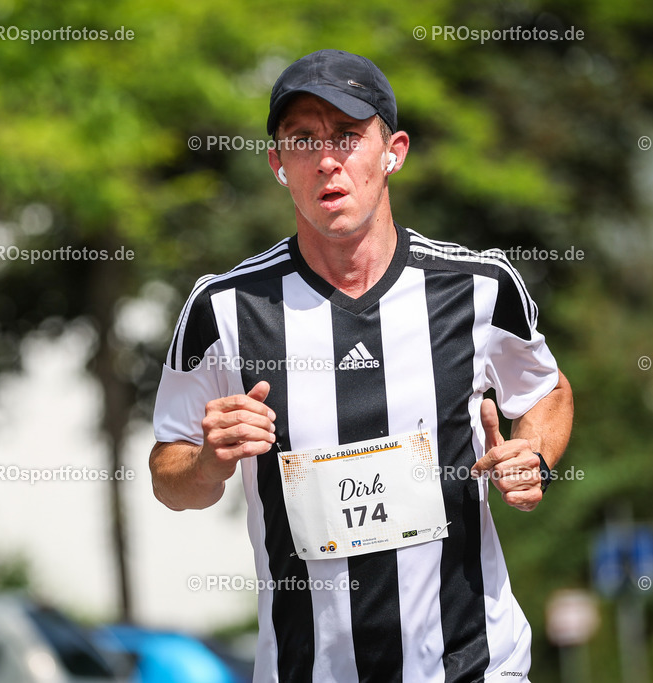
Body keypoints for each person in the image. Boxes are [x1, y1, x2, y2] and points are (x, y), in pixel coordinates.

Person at [150, 49, 573, 683]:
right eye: (302, 140)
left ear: (393, 152)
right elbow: (169, 473)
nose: (326, 159)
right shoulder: (224, 308)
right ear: (278, 164)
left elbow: (546, 390)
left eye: (347, 135)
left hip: (473, 665)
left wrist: (533, 454)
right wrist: (209, 460)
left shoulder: (479, 287)